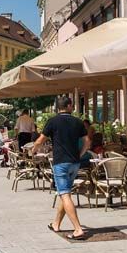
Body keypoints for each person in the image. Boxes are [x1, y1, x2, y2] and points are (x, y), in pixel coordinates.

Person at [34, 96, 88, 240]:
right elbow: (87, 142)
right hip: (75, 163)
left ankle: (78, 229)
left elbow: (40, 140)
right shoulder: (78, 122)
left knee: (64, 194)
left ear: (58, 108)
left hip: (61, 163)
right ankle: (56, 223)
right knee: (65, 194)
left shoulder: (52, 121)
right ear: (69, 106)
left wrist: (32, 149)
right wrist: (80, 154)